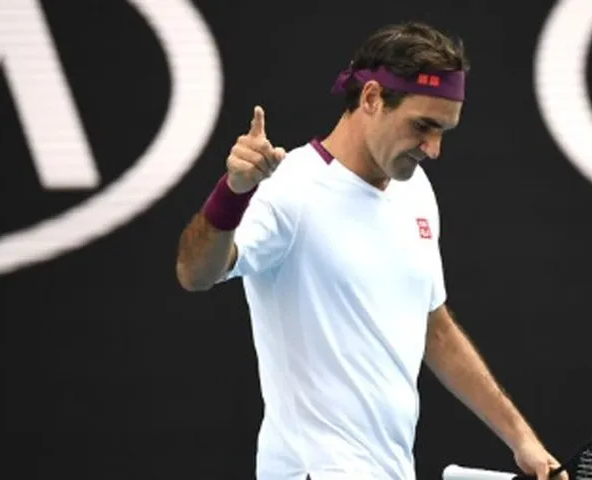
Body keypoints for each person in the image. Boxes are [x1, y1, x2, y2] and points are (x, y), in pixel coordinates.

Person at [175, 21, 568, 480]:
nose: (435, 149)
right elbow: (194, 273)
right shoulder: (290, 190)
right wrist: (233, 192)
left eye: (444, 131)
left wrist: (523, 440)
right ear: (371, 99)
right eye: (424, 126)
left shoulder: (415, 188)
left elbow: (434, 328)